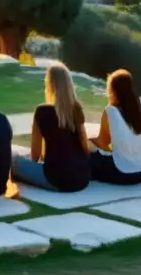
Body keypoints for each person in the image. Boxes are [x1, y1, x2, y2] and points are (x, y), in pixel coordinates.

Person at [11, 63, 91, 192]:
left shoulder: (42, 111)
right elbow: (85, 147)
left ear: (50, 85)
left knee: (13, 160)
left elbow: (35, 156)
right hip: (82, 177)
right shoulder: (76, 108)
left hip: (56, 179)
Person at [88, 69, 141, 185]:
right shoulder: (136, 110)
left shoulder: (110, 111)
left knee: (90, 158)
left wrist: (88, 141)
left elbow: (103, 144)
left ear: (113, 91)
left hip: (123, 173)